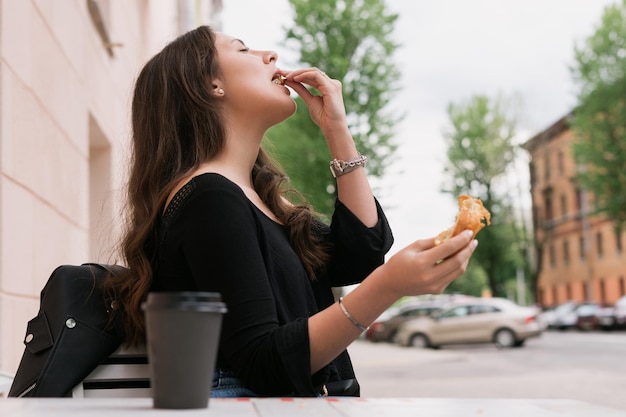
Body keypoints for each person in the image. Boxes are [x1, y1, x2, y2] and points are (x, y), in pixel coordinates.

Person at [103, 25, 477, 397]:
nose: (270, 55)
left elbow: (360, 255)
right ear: (210, 84)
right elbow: (263, 362)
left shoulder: (258, 195)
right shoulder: (208, 199)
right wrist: (390, 286)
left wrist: (336, 130)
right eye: (243, 49)